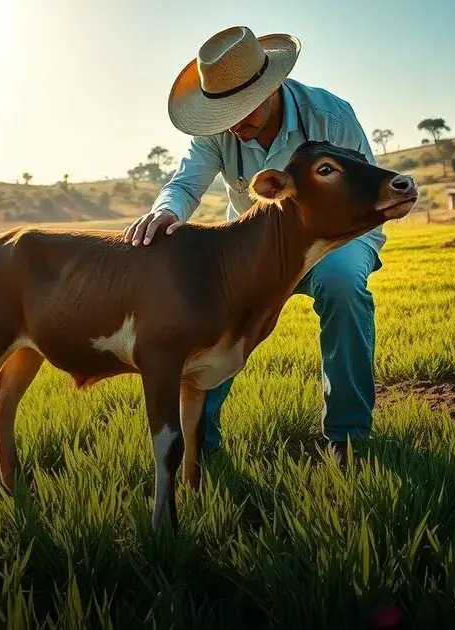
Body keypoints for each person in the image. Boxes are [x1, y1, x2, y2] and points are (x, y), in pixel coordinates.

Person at [123, 26, 383, 462]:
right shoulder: (218, 128)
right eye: (225, 115)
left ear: (273, 86)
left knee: (342, 286)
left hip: (334, 238)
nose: (236, 125)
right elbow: (186, 183)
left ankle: (347, 436)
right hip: (255, 247)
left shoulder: (332, 117)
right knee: (215, 310)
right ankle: (198, 443)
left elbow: (364, 195)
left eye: (245, 110)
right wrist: (166, 211)